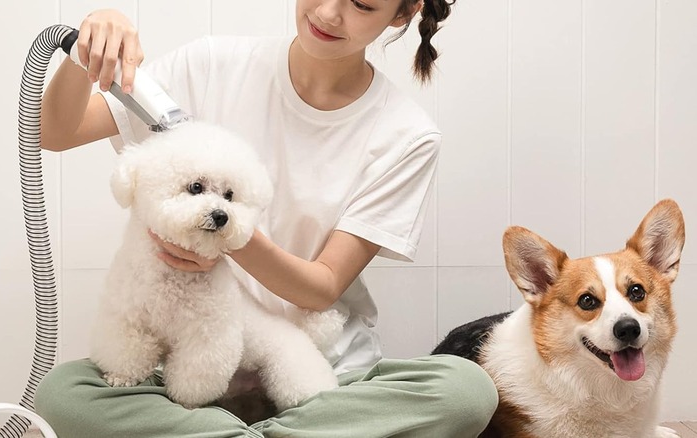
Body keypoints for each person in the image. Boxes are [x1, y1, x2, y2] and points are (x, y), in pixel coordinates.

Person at [34, 1, 498, 437]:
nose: (327, 13)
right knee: (64, 394)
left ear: (403, 14)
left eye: (361, 4)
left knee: (465, 391)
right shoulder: (211, 64)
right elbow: (55, 132)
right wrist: (84, 55)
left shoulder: (405, 135)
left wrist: (226, 232)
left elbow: (322, 286)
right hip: (183, 371)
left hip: (324, 374)